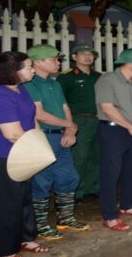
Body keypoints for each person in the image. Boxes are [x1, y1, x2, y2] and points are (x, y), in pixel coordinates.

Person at [0, 52, 49, 257]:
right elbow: (12, 134)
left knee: (23, 199)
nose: (33, 70)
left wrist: (40, 143)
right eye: (29, 67)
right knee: (5, 204)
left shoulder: (20, 89)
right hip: (1, 155)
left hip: (23, 154)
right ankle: (0, 251)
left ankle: (25, 238)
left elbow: (31, 119)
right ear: (12, 71)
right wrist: (38, 149)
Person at [24, 44, 89, 240]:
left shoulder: (55, 83)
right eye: (53, 59)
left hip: (60, 136)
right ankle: (40, 224)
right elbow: (39, 114)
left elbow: (65, 107)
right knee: (41, 180)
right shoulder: (29, 84)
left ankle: (65, 218)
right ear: (37, 62)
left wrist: (70, 129)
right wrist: (70, 124)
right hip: (42, 136)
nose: (58, 62)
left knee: (68, 177)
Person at [95, 48, 132, 231]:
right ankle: (109, 216)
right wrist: (129, 126)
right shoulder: (107, 80)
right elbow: (107, 107)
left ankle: (128, 205)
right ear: (131, 64)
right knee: (111, 172)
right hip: (114, 131)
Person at [57, 44, 102, 202]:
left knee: (96, 155)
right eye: (83, 54)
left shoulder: (98, 76)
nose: (87, 57)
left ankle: (92, 187)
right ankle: (77, 191)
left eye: (90, 54)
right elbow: (60, 101)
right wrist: (67, 124)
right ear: (74, 57)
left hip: (98, 119)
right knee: (80, 156)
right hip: (78, 120)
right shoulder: (67, 77)